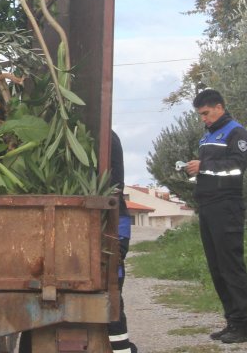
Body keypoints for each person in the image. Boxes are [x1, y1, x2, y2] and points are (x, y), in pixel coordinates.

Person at [184, 88, 247, 344]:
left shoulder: (236, 132)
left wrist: (204, 167)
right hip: (209, 207)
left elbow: (237, 167)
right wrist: (195, 170)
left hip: (227, 208)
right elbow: (211, 171)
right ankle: (231, 322)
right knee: (216, 268)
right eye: (200, 115)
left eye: (206, 113)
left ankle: (243, 326)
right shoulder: (208, 136)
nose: (203, 118)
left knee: (231, 267)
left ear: (219, 107)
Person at [109, 131, 138, 353]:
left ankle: (121, 350)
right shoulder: (108, 136)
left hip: (114, 222)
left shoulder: (106, 138)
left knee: (111, 289)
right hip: (115, 220)